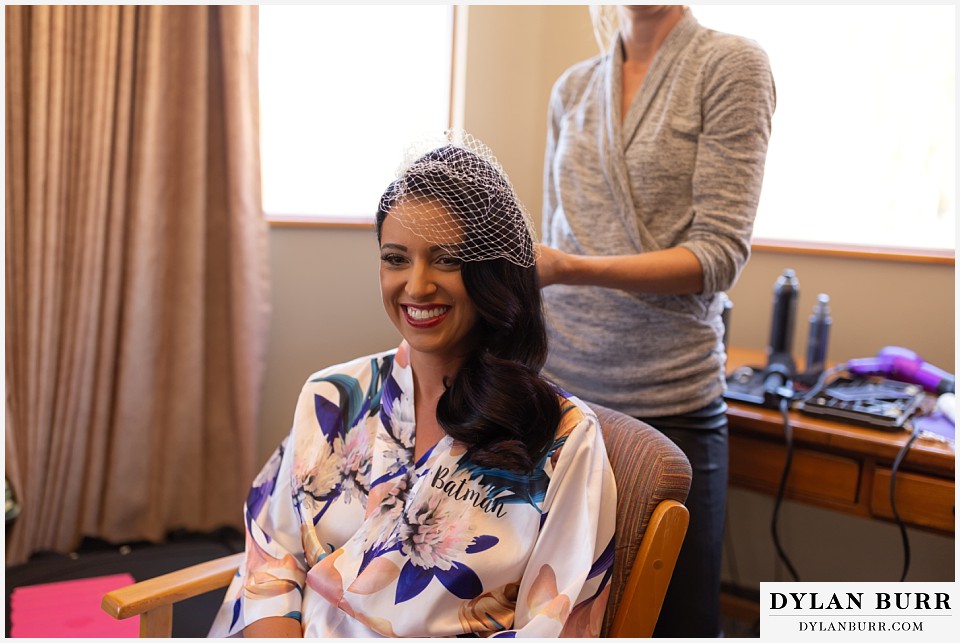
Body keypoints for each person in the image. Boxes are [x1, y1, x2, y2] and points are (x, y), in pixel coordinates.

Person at [208, 131, 617, 638]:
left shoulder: (562, 438)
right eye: (396, 258)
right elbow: (273, 556)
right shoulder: (331, 396)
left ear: (493, 274)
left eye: (446, 259)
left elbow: (552, 626)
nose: (417, 285)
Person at [536, 5, 775, 638]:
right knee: (553, 614)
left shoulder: (728, 65)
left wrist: (571, 268)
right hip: (563, 405)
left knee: (677, 622)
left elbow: (718, 255)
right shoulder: (572, 89)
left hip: (668, 401)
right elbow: (548, 243)